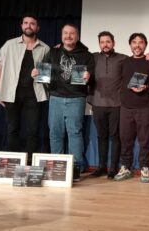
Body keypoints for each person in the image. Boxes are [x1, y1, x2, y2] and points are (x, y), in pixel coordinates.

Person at [34, 23, 94, 181]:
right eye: (65, 33)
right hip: (56, 98)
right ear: (61, 36)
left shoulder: (87, 55)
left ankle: (76, 168)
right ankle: (57, 167)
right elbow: (44, 72)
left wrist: (88, 76)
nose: (68, 36)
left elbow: (92, 76)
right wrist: (37, 73)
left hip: (76, 98)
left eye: (72, 33)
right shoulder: (53, 51)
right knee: (55, 133)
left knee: (74, 133)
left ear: (77, 36)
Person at [0, 14, 49, 164]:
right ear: (21, 26)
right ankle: (13, 161)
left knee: (33, 130)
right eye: (26, 23)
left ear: (37, 27)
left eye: (32, 23)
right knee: (13, 128)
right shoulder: (9, 44)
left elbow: (47, 74)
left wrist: (40, 73)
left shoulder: (45, 48)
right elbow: (0, 68)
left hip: (34, 94)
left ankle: (30, 162)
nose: (29, 26)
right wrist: (0, 91)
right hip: (12, 94)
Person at [114, 33, 149, 183]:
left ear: (145, 45)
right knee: (125, 140)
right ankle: (126, 167)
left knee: (145, 140)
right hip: (126, 107)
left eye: (141, 42)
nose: (137, 45)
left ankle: (145, 167)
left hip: (145, 108)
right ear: (130, 45)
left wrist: (146, 87)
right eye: (134, 42)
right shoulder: (124, 62)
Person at [87, 31, 127, 179]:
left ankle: (113, 167)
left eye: (108, 41)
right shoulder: (93, 57)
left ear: (113, 43)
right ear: (99, 44)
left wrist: (148, 57)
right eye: (102, 42)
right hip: (97, 104)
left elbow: (137, 63)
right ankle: (102, 166)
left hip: (116, 104)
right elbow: (76, 52)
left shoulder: (123, 58)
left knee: (115, 137)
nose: (105, 44)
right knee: (101, 136)